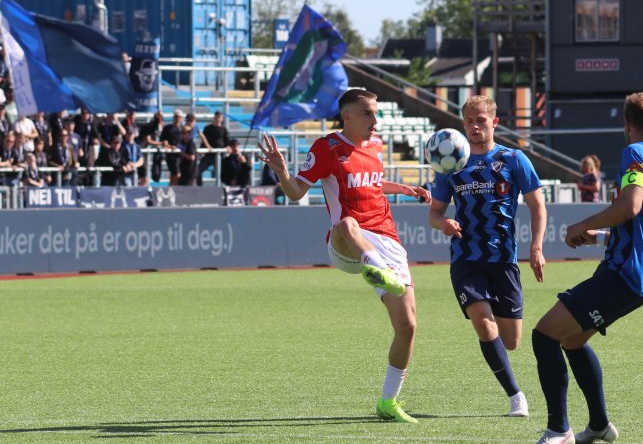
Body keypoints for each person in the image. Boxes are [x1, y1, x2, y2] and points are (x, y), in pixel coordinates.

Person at [258, 88, 432, 423]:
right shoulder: (326, 148)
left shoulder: (376, 145)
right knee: (348, 222)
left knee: (408, 326)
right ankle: (376, 268)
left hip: (386, 240)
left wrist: (405, 189)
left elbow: (373, 183)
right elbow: (296, 192)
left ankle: (388, 402)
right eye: (368, 113)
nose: (375, 119)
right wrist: (281, 171)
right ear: (347, 116)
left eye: (376, 112)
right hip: (346, 243)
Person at [529, 92, 643, 444]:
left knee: (544, 335)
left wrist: (581, 223)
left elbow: (631, 206)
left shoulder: (636, 154)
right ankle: (599, 425)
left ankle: (558, 430)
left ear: (627, 125)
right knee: (572, 340)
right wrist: (598, 236)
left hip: (623, 275)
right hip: (640, 276)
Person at [427, 96, 547, 418]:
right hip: (466, 258)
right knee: (482, 322)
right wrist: (443, 223)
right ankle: (516, 396)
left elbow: (537, 205)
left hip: (504, 259)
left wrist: (536, 247)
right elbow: (434, 214)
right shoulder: (451, 163)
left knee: (511, 341)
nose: (474, 126)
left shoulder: (513, 159)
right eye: (469, 121)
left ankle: (497, 343)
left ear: (494, 122)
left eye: (480, 120)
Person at [198, 110, 230, 185]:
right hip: (209, 155)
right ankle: (199, 187)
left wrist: (228, 147)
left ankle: (222, 188)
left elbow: (227, 141)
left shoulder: (224, 129)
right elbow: (204, 141)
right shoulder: (208, 128)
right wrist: (203, 151)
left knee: (222, 174)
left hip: (220, 155)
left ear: (222, 119)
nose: (218, 119)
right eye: (216, 117)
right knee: (198, 171)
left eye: (219, 117)